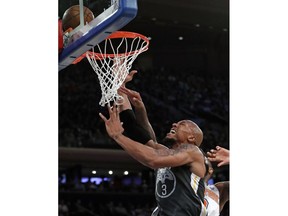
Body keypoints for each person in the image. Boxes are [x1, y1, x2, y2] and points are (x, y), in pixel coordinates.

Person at [99, 75, 207, 216]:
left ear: (191, 137)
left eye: (182, 124)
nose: (174, 124)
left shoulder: (192, 151)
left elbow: (152, 159)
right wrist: (122, 86)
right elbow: (139, 133)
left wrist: (118, 136)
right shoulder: (167, 152)